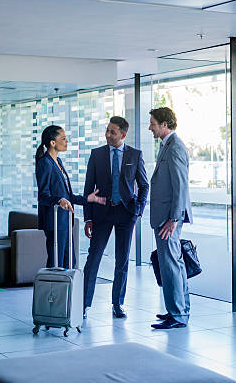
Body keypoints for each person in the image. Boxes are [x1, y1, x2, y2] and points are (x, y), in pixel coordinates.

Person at [82, 116, 149, 319]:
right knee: (93, 258)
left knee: (122, 261)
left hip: (126, 214)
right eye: (107, 130)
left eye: (112, 132)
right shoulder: (97, 154)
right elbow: (88, 187)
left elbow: (144, 185)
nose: (108, 135)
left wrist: (138, 210)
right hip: (101, 214)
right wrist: (88, 218)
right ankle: (84, 304)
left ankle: (117, 304)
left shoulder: (135, 155)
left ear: (123, 134)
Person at [35, 125, 105, 268]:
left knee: (69, 263)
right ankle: (52, 291)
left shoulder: (58, 162)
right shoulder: (45, 163)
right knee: (56, 264)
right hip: (54, 222)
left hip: (65, 221)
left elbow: (67, 195)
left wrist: (88, 199)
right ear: (52, 143)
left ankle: (67, 291)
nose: (67, 142)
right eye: (63, 139)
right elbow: (43, 196)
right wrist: (59, 200)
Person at [148, 107, 193, 329]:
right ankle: (178, 311)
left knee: (171, 264)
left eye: (153, 124)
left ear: (164, 125)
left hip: (169, 219)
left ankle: (178, 315)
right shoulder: (167, 146)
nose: (150, 127)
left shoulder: (175, 147)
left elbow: (180, 186)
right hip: (165, 217)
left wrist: (174, 219)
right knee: (173, 263)